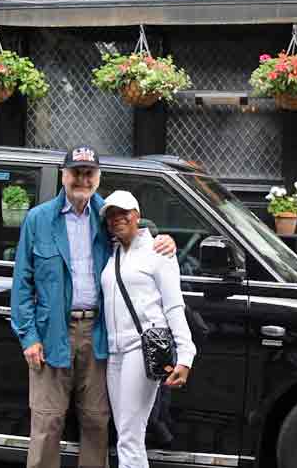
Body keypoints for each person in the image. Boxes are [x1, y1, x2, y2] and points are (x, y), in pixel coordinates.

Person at [10, 145, 176, 468]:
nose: (82, 180)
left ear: (98, 178)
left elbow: (139, 240)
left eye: (89, 173)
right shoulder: (38, 220)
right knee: (47, 423)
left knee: (97, 422)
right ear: (64, 175)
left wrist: (166, 240)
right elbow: (21, 284)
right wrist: (28, 337)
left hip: (100, 334)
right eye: (76, 173)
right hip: (51, 332)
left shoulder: (108, 217)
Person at [100, 190, 196, 468]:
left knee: (129, 435)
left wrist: (186, 355)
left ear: (137, 215)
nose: (117, 219)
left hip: (140, 351)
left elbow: (174, 305)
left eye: (123, 213)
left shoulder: (158, 251)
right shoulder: (112, 252)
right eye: (111, 215)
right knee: (127, 433)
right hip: (114, 351)